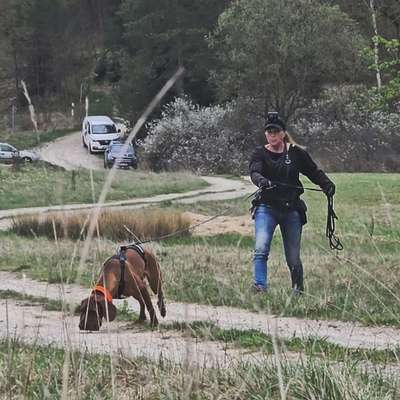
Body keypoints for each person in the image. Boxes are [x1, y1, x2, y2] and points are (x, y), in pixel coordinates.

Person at [249, 112, 335, 294]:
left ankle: (298, 290)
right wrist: (262, 181)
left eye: (275, 131)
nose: (272, 135)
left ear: (283, 133)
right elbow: (255, 172)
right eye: (269, 131)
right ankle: (259, 286)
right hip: (267, 207)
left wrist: (326, 184)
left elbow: (313, 171)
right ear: (265, 134)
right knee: (261, 248)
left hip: (291, 209)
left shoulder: (296, 153)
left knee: (293, 256)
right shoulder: (259, 153)